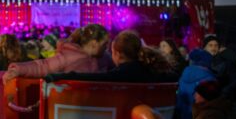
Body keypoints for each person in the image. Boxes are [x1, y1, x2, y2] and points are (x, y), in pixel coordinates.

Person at [46, 31, 175, 83]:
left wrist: (58, 76)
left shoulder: (119, 75)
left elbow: (87, 78)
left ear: (117, 54)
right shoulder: (154, 70)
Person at [3, 23, 109, 83]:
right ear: (94, 44)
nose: (106, 47)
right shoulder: (69, 55)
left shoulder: (105, 59)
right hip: (71, 106)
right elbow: (44, 66)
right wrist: (18, 69)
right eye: (104, 44)